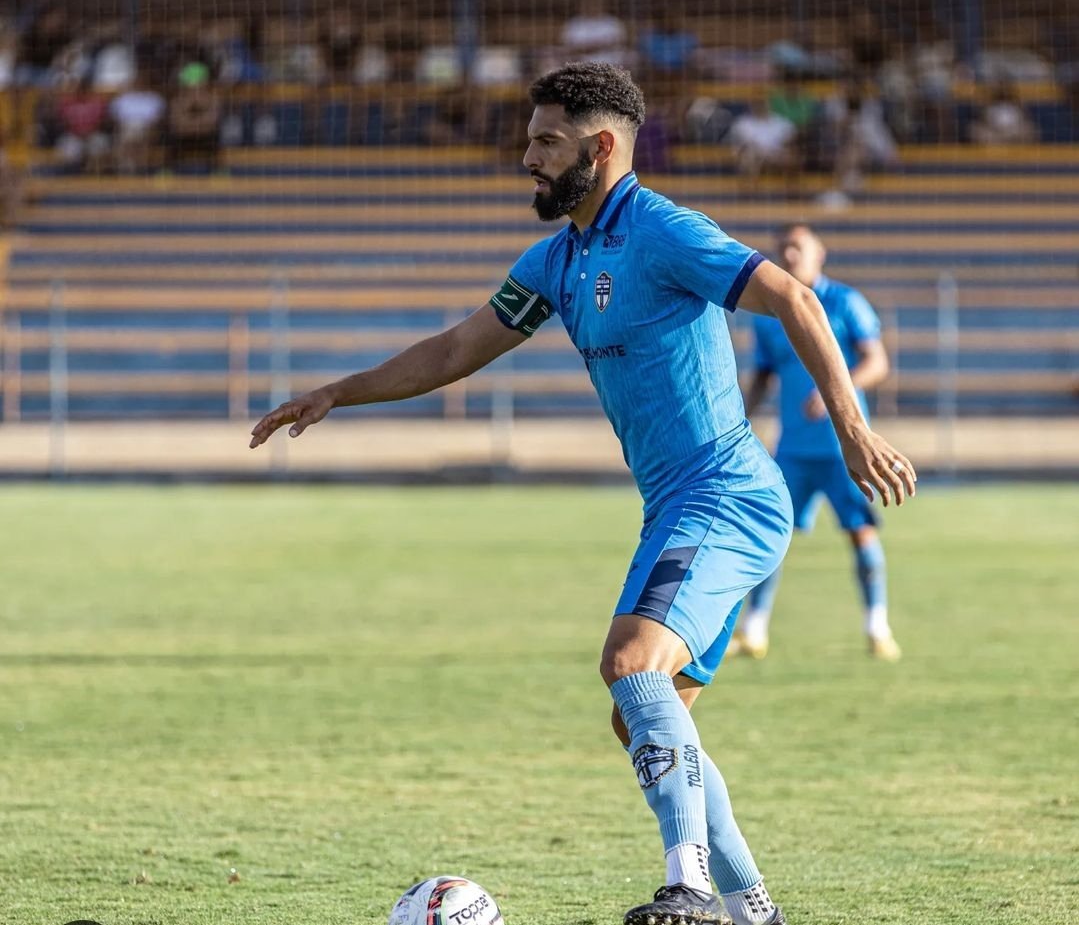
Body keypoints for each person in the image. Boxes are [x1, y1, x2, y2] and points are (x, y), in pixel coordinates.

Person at [249, 63, 916, 925]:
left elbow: (790, 295)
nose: (526, 156)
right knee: (643, 714)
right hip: (676, 505)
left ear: (600, 148)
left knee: (629, 664)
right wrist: (340, 390)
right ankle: (754, 911)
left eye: (544, 141)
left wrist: (854, 430)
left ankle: (688, 888)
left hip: (726, 492)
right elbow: (455, 350)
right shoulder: (557, 260)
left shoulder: (666, 232)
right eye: (528, 138)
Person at [728, 223, 902, 662]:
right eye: (783, 248)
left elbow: (876, 362)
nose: (789, 256)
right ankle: (755, 630)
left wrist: (833, 396)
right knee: (771, 535)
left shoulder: (845, 303)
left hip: (844, 448)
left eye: (798, 248)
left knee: (860, 532)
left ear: (819, 254)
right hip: (793, 451)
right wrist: (739, 419)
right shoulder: (770, 314)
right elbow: (764, 375)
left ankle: (877, 626)